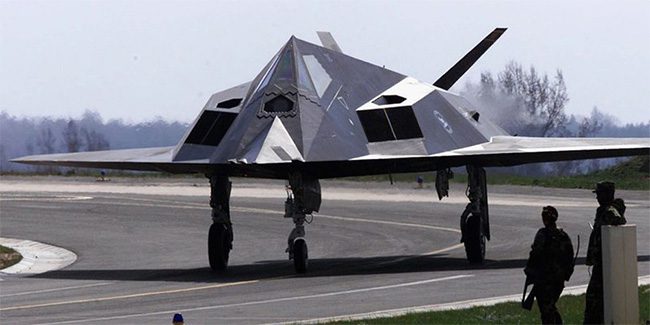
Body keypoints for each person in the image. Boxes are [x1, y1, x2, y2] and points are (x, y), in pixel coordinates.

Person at [583, 181, 626, 324]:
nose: (597, 198)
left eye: (599, 194)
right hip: (600, 262)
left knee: (594, 298)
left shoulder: (609, 210)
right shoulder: (601, 210)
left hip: (605, 263)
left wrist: (610, 212)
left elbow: (619, 219)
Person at [524, 205, 574, 324]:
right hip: (558, 279)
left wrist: (530, 270)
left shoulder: (542, 234)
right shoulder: (563, 236)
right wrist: (566, 273)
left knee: (546, 309)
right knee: (550, 306)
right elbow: (569, 256)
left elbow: (535, 253)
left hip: (545, 279)